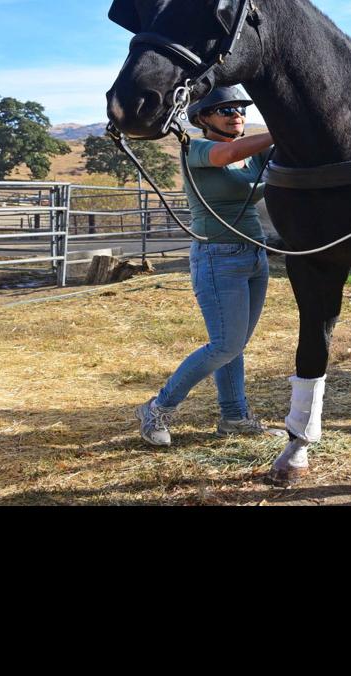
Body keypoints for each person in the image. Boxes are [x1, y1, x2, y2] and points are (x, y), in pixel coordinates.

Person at [134, 85, 278, 447]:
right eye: (225, 110)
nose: (236, 116)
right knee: (224, 345)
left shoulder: (254, 156)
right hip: (217, 257)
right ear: (202, 118)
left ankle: (234, 417)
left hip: (254, 255)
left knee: (234, 346)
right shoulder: (195, 149)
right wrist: (279, 131)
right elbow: (226, 154)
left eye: (240, 110)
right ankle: (157, 408)